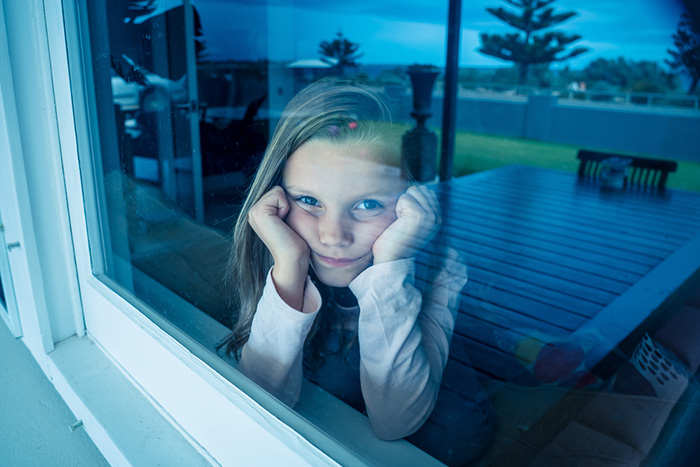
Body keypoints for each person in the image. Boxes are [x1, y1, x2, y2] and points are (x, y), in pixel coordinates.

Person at [220, 78, 493, 465]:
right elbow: (258, 397)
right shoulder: (283, 251)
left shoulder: (441, 268)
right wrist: (290, 269)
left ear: (411, 205)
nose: (333, 236)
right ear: (277, 198)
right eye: (309, 200)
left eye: (367, 205)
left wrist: (391, 263)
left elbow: (394, 422)